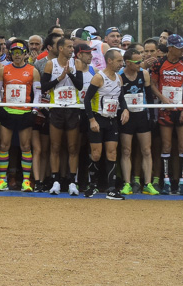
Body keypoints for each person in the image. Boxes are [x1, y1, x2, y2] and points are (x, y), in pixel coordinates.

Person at [151, 34, 183, 195]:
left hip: (181, 108)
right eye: (178, 47)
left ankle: (182, 181)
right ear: (170, 48)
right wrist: (162, 98)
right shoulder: (159, 63)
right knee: (166, 145)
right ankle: (167, 181)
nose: (182, 50)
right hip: (165, 110)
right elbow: (153, 84)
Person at [0, 40, 39, 192]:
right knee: (3, 146)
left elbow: (38, 92)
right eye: (14, 53)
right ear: (10, 54)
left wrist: (34, 109)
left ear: (25, 54)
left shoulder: (33, 70)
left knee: (25, 146)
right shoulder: (4, 69)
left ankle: (26, 181)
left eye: (20, 53)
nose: (17, 56)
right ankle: (2, 180)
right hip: (7, 112)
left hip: (25, 112)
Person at [43, 37, 85, 196]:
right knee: (55, 146)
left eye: (72, 47)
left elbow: (80, 86)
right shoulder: (50, 64)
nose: (72, 50)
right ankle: (55, 181)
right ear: (60, 48)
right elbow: (44, 87)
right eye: (69, 47)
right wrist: (60, 78)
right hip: (56, 109)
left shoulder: (77, 63)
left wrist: (71, 74)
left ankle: (72, 181)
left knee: (73, 147)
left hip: (73, 109)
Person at [82, 49, 125, 199]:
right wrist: (92, 120)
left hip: (112, 119)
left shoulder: (119, 78)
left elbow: (121, 97)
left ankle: (112, 188)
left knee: (112, 152)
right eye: (119, 61)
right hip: (98, 118)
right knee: (96, 154)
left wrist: (125, 110)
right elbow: (87, 100)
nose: (122, 64)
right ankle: (92, 185)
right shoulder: (99, 78)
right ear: (110, 61)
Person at [117, 48, 158, 195]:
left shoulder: (144, 74)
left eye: (141, 61)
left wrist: (152, 116)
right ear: (127, 63)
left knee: (146, 150)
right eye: (137, 62)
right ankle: (127, 183)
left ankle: (147, 183)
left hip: (142, 116)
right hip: (127, 117)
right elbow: (119, 97)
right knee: (126, 151)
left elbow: (149, 96)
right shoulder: (120, 76)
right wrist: (123, 111)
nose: (140, 64)